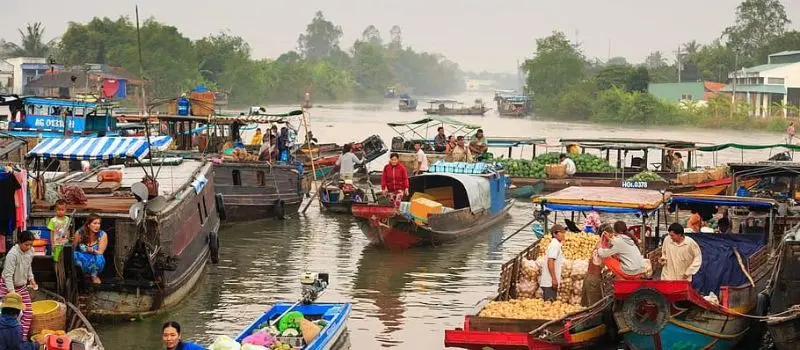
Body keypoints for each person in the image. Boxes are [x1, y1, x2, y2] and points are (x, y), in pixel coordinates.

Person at [0, 231, 36, 340]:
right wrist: (11, 292)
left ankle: (22, 338)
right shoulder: (12, 254)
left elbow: (28, 266)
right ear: (19, 242)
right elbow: (8, 275)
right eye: (26, 244)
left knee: (28, 312)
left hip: (21, 287)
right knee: (4, 312)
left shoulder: (31, 251)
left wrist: (31, 278)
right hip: (7, 286)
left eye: (31, 244)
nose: (29, 247)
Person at [73, 214, 108, 284]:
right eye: (94, 223)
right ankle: (80, 274)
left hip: (94, 258)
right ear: (88, 225)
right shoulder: (79, 233)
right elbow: (73, 248)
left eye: (99, 223)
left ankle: (94, 275)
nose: (97, 226)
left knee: (100, 258)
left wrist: (92, 250)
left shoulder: (102, 234)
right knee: (73, 254)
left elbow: (100, 252)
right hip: (82, 259)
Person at [582, 224, 606, 307]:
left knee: (587, 306)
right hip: (593, 280)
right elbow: (602, 264)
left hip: (589, 278)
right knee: (594, 307)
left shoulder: (598, 244)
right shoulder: (602, 247)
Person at [540, 224, 565, 302]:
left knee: (550, 305)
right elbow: (550, 261)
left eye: (564, 232)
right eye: (561, 233)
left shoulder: (556, 244)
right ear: (554, 234)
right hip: (549, 283)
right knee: (549, 306)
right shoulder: (555, 245)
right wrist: (554, 279)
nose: (563, 235)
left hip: (550, 282)